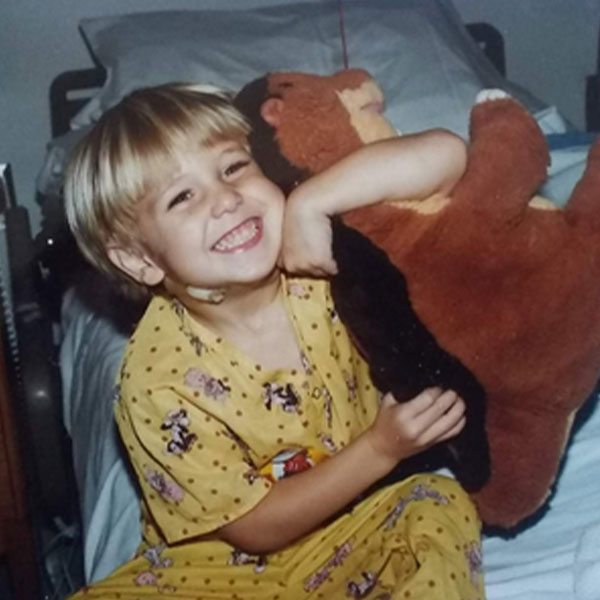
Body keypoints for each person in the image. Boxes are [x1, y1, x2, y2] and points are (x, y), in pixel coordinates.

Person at [64, 83, 485, 599]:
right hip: (219, 572)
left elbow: (448, 154)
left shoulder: (316, 253)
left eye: (234, 167)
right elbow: (252, 527)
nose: (226, 199)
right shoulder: (154, 382)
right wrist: (381, 446)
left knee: (436, 505)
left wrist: (312, 201)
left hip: (357, 529)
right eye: (182, 197)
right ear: (139, 260)